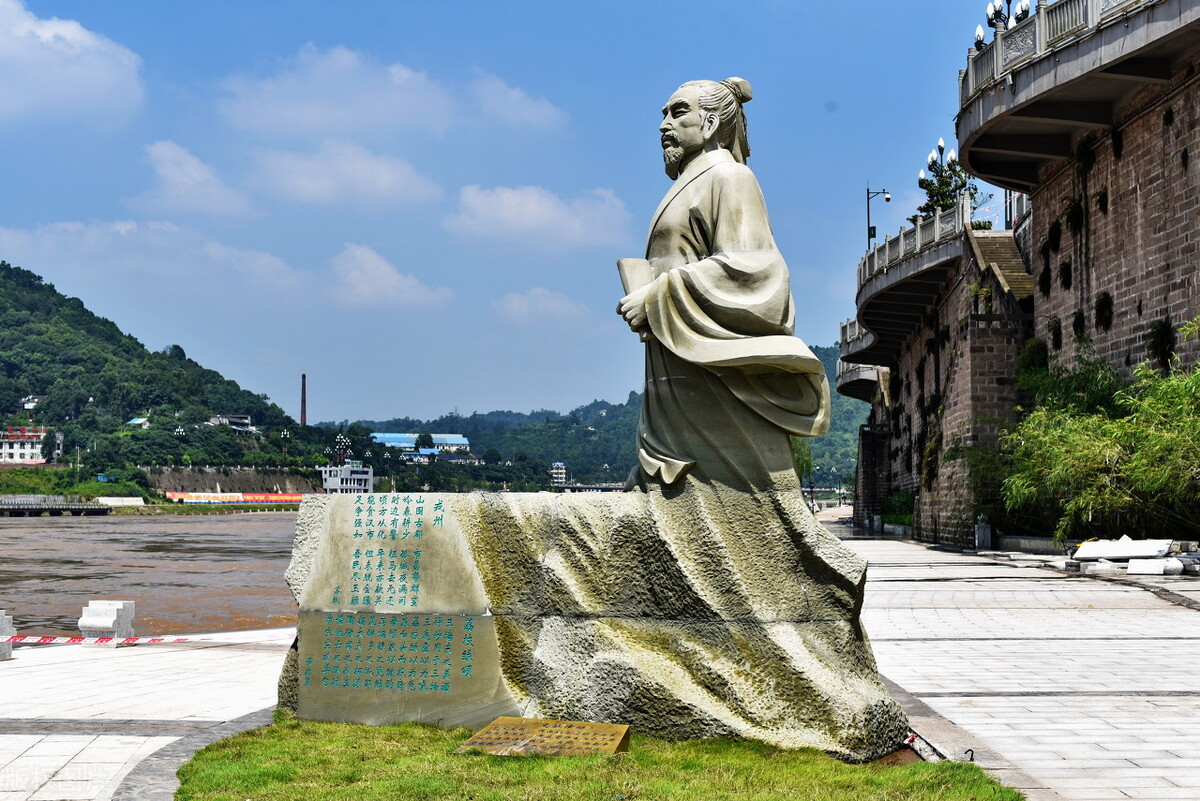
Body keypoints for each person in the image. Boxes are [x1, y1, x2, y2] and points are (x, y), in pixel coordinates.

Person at [617, 78, 829, 492]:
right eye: (663, 114)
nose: (664, 125)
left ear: (711, 122)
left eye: (678, 112)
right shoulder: (687, 184)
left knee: (724, 492)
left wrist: (658, 295)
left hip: (708, 368)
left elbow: (753, 267)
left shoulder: (731, 177)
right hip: (674, 364)